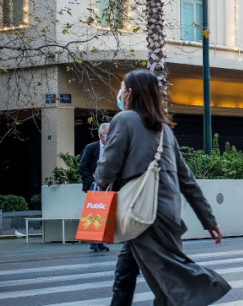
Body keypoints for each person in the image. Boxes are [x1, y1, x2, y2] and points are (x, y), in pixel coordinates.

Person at [96, 70, 231, 305]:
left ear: (130, 92)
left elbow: (106, 171)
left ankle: (212, 284)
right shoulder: (164, 130)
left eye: (122, 87)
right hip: (164, 214)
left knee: (170, 284)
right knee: (126, 273)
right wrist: (208, 220)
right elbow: (186, 179)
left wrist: (99, 174)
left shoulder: (124, 120)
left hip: (140, 213)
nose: (120, 92)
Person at [78, 122, 110, 252]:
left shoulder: (113, 148)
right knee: (94, 212)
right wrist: (91, 181)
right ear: (101, 135)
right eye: (108, 133)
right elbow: (83, 165)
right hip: (95, 184)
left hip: (108, 184)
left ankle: (100, 241)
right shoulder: (91, 147)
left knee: (105, 214)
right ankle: (93, 242)